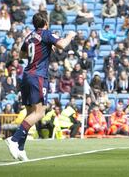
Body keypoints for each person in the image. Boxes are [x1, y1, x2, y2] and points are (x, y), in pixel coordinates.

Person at [5, 13, 76, 161]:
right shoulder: (46, 33)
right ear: (46, 22)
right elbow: (62, 44)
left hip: (26, 76)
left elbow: (22, 55)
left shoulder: (30, 36)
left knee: (30, 113)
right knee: (40, 113)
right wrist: (70, 35)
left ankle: (21, 148)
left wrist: (46, 48)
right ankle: (14, 139)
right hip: (38, 76)